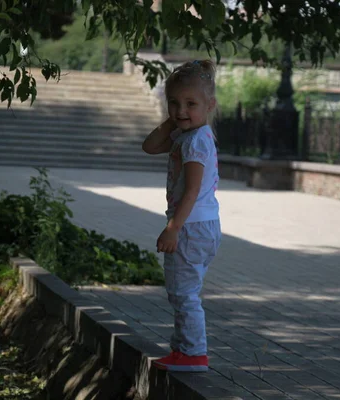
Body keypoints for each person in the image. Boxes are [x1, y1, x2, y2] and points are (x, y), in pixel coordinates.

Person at [142, 60, 222, 372]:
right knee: (183, 290)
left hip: (189, 227)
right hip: (201, 225)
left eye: (191, 104)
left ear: (210, 105)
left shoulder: (197, 140)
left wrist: (173, 228)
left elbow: (191, 190)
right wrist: (173, 121)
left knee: (183, 293)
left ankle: (193, 354)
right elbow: (149, 146)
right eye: (173, 103)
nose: (181, 110)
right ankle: (183, 350)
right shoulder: (189, 135)